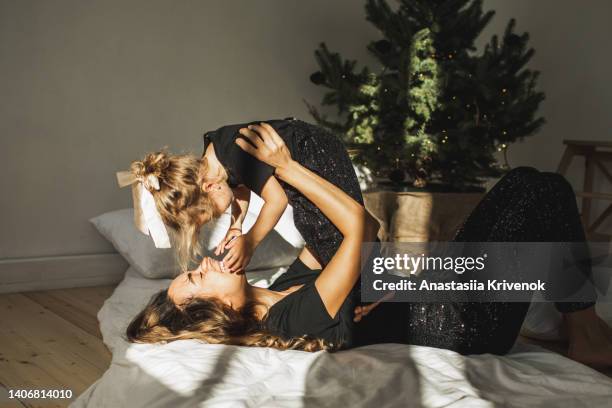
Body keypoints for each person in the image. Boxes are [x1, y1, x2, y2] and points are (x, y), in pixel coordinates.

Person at [127, 124, 612, 367]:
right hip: (466, 319)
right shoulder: (289, 319)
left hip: (439, 285)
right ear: (215, 312)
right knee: (541, 191)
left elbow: (363, 234)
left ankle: (577, 322)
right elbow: (357, 226)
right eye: (197, 277)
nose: (207, 262)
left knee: (528, 181)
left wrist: (252, 227)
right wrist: (285, 165)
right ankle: (585, 333)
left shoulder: (283, 286)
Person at [129, 118, 362, 273]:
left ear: (209, 188)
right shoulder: (214, 161)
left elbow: (277, 201)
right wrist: (236, 224)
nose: (216, 217)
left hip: (319, 154)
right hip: (300, 173)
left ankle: (379, 286)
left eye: (211, 215)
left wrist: (250, 242)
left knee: (335, 231)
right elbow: (240, 187)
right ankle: (357, 284)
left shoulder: (237, 153)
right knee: (313, 230)